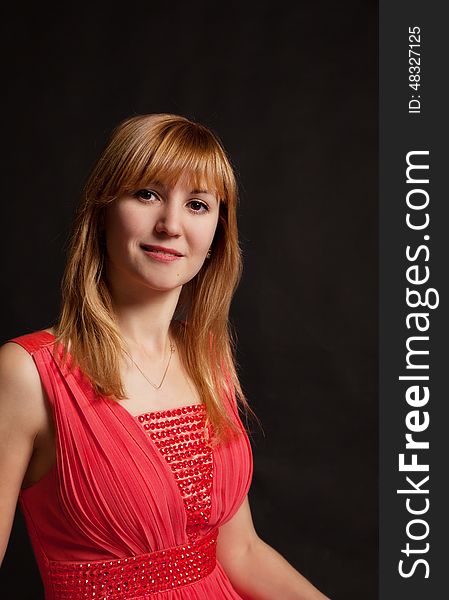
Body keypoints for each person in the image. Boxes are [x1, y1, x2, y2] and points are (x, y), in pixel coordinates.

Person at [0, 114, 330, 599]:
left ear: (218, 232)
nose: (170, 225)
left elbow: (240, 554)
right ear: (103, 208)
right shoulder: (27, 371)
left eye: (197, 204)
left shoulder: (206, 356)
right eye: (147, 193)